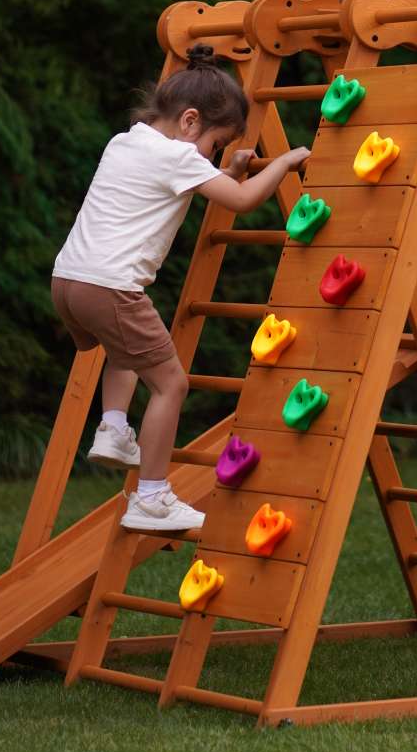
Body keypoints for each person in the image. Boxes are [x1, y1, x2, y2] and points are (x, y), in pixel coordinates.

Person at [51, 46, 311, 534]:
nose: (210, 155)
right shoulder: (178, 156)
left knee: (122, 349)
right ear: (190, 122)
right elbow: (242, 202)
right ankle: (151, 497)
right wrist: (285, 162)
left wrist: (222, 170)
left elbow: (180, 189)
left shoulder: (126, 143)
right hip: (111, 288)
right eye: (214, 144)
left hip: (69, 283)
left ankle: (112, 428)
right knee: (171, 384)